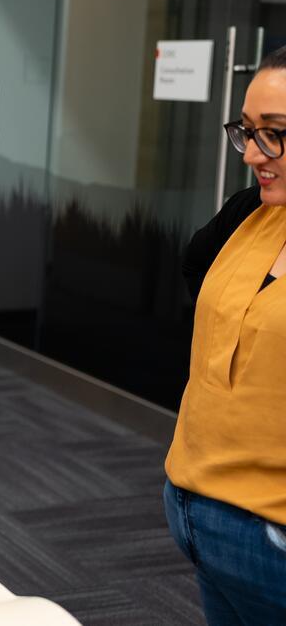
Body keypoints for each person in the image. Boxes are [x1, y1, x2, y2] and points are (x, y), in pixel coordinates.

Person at [164, 45, 286, 625]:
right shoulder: (251, 211)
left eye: (275, 134)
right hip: (200, 515)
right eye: (247, 131)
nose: (254, 154)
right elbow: (198, 270)